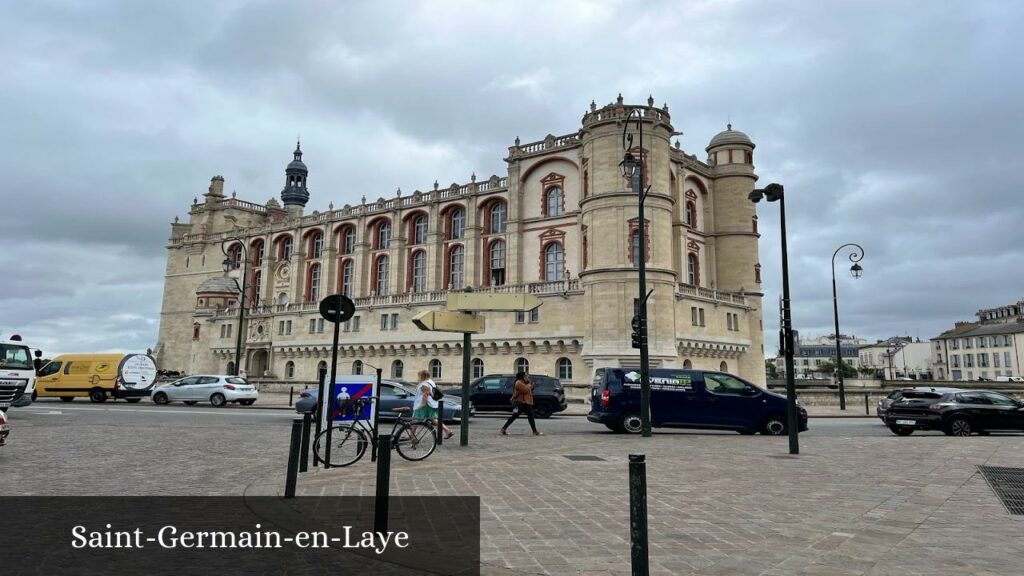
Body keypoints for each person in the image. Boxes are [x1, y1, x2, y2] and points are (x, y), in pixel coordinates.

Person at [500, 371, 543, 436]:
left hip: (525, 402)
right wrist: (530, 384)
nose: (527, 377)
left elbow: (532, 388)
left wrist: (530, 384)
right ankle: (503, 429)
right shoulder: (518, 383)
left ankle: (503, 429)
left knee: (528, 416)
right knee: (516, 416)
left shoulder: (524, 382)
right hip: (520, 403)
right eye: (525, 376)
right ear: (522, 376)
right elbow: (526, 389)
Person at [414, 370, 453, 439]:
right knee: (433, 419)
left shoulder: (424, 384)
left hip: (425, 405)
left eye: (419, 375)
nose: (418, 377)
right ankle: (448, 431)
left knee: (415, 419)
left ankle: (412, 436)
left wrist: (422, 404)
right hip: (430, 404)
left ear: (423, 376)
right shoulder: (430, 382)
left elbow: (425, 394)